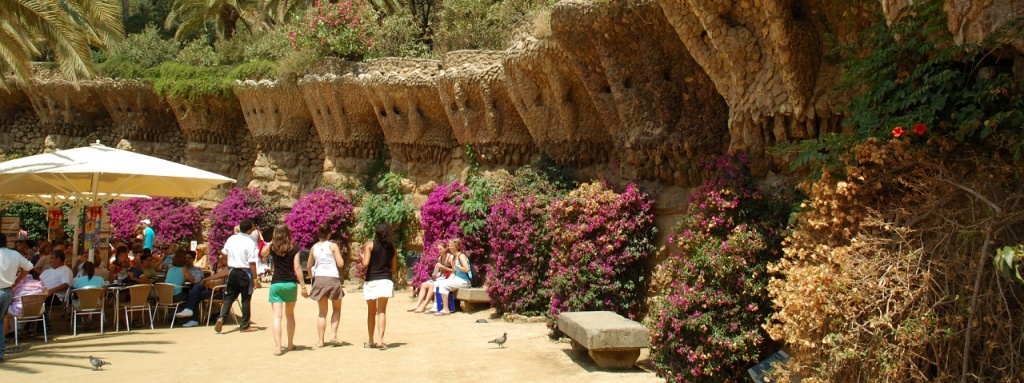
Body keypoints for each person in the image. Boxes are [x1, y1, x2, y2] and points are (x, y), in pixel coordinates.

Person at [262, 224, 307, 355]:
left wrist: (272, 241)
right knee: (290, 315)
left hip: (276, 284)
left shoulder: (273, 247)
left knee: (277, 316)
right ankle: (290, 343)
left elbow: (262, 252)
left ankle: (278, 347)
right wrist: (303, 286)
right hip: (290, 284)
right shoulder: (295, 248)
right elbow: (297, 268)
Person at [215, 219, 260, 333]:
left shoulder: (232, 238)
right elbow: (252, 263)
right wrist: (255, 278)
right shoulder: (250, 242)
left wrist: (227, 263)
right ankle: (244, 325)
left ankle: (221, 317)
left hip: (232, 271)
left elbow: (224, 253)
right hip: (244, 272)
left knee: (230, 296)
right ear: (249, 230)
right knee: (245, 298)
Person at [307, 224, 345, 347]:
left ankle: (321, 340)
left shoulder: (314, 248)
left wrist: (311, 277)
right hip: (332, 278)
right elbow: (340, 263)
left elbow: (308, 266)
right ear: (329, 233)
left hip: (319, 278)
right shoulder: (333, 246)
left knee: (322, 312)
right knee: (337, 308)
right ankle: (333, 334)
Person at [361, 223, 397, 350]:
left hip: (372, 280)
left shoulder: (370, 245)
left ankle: (370, 340)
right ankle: (380, 340)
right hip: (385, 280)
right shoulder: (392, 248)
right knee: (382, 311)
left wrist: (362, 258)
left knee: (371, 312)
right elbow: (393, 268)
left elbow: (365, 264)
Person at [1, 233, 35, 361]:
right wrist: (16, 281)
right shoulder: (14, 254)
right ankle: (0, 351)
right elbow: (29, 267)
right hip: (7, 291)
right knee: (0, 321)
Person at [409, 241, 454, 313]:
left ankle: (424, 306)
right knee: (424, 285)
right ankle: (417, 305)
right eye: (438, 249)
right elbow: (437, 272)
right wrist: (435, 274)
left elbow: (455, 271)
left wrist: (443, 267)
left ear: (445, 249)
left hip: (450, 278)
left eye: (441, 249)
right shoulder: (440, 258)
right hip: (441, 277)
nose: (439, 251)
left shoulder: (450, 257)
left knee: (432, 286)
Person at [433, 238, 471, 316]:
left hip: (464, 280)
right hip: (457, 279)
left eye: (451, 246)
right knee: (439, 283)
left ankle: (446, 309)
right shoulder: (454, 257)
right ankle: (438, 307)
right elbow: (453, 272)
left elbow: (467, 269)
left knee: (444, 285)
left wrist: (458, 266)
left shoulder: (461, 256)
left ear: (455, 247)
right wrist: (448, 280)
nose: (449, 247)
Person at [174, 251, 209, 327]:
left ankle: (189, 312)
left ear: (193, 259)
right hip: (186, 289)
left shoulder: (198, 269)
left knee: (195, 289)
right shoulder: (181, 269)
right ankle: (193, 319)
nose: (187, 260)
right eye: (185, 258)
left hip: (198, 286)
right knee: (195, 295)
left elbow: (198, 280)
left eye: (189, 258)